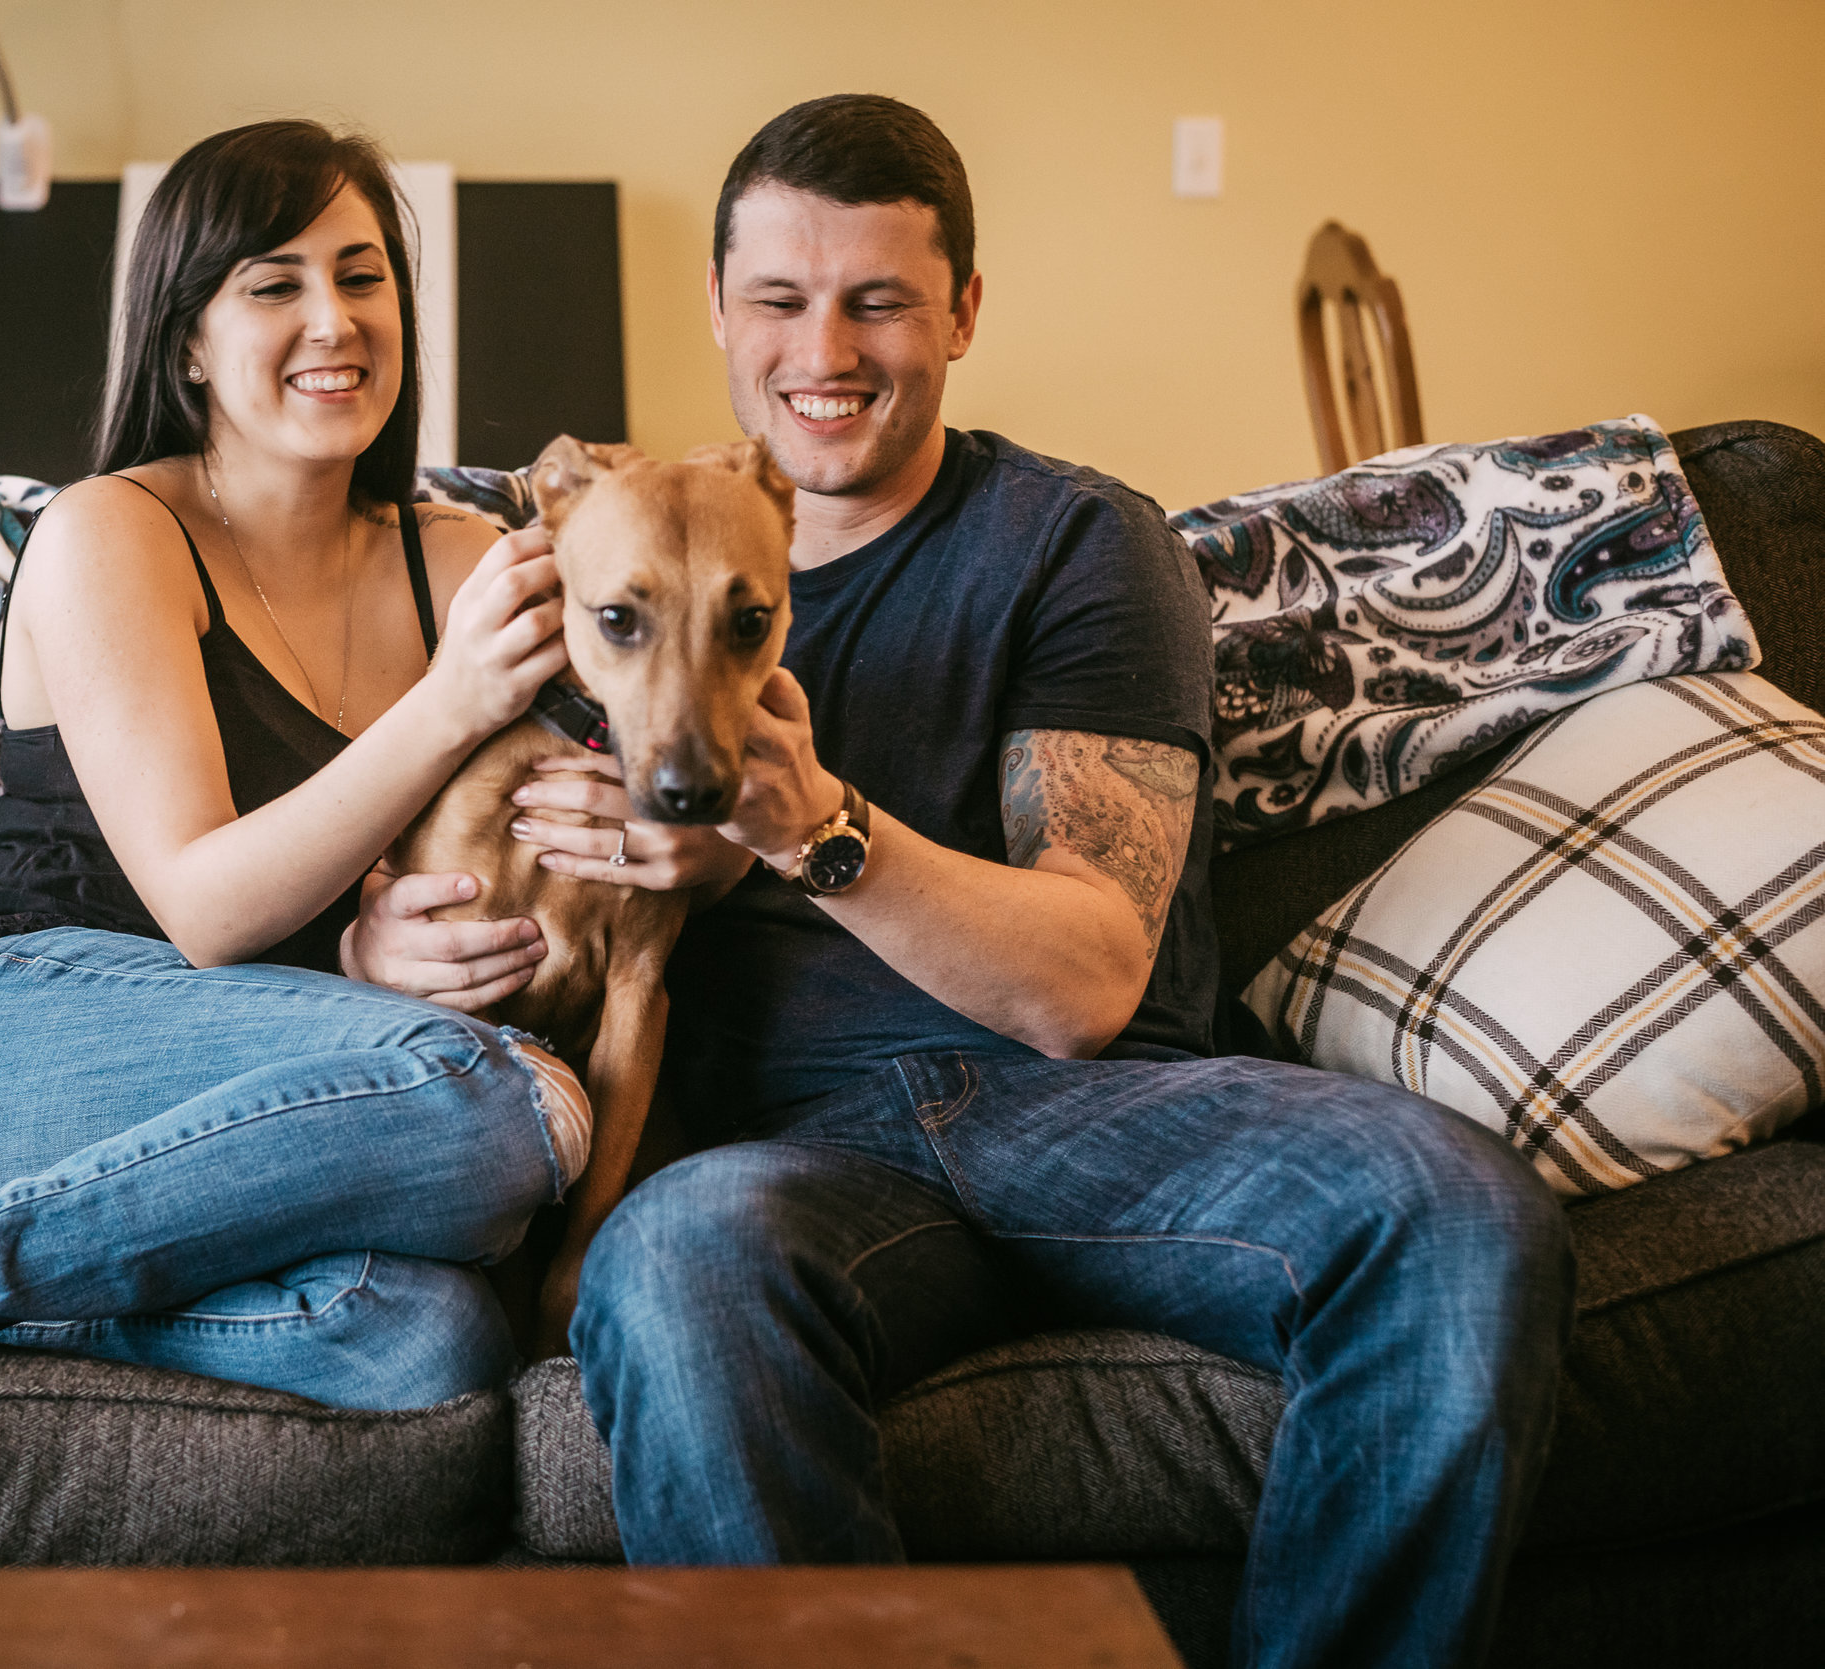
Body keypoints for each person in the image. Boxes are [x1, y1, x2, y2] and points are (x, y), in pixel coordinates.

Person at [356, 96, 1575, 1669]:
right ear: (721, 314)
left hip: (1097, 1123)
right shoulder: (605, 569)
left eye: (880, 300)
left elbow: (1082, 983)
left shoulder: (1076, 544)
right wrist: (380, 938)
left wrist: (812, 827)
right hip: (797, 1151)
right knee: (672, 1265)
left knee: (1460, 1211)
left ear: (964, 314)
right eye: (783, 301)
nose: (828, 350)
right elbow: (426, 820)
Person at [0, 120, 599, 1547]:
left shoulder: (453, 557)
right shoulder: (115, 533)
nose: (336, 320)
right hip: (13, 1041)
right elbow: (203, 902)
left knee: (430, 1341)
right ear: (188, 339)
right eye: (274, 284)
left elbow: (551, 832)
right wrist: (447, 707)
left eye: (364, 274)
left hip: (259, 1098)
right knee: (500, 1104)